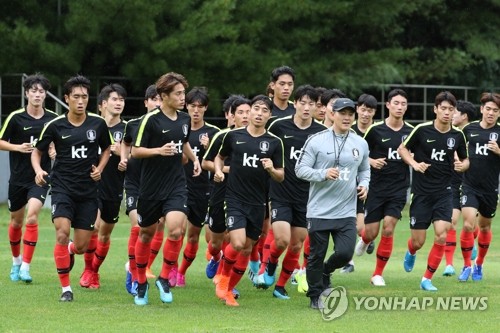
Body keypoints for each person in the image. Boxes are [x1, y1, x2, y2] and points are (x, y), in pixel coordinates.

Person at [31, 75, 112, 302]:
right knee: (61, 232)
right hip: (62, 188)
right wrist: (38, 170)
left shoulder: (98, 123)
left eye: (84, 97)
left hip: (88, 192)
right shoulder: (55, 125)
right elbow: (37, 151)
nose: (80, 100)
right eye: (75, 96)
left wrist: (101, 168)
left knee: (81, 245)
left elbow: (107, 148)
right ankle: (66, 289)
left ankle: (70, 250)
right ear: (66, 98)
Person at [131, 72, 201, 306]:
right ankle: (140, 282)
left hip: (176, 185)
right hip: (150, 188)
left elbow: (185, 141)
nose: (183, 98)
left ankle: (163, 278)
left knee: (175, 230)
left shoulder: (184, 119)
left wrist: (194, 159)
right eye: (178, 94)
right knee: (146, 234)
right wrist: (158, 151)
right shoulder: (150, 120)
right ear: (163, 96)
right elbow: (135, 151)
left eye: (183, 93)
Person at [295, 98, 370, 309]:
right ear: (332, 114)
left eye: (350, 114)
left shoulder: (360, 143)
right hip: (319, 209)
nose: (347, 118)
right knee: (316, 255)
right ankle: (315, 295)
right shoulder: (316, 140)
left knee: (346, 253)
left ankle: (326, 271)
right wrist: (323, 173)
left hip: (346, 210)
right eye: (342, 113)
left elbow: (364, 169)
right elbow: (300, 170)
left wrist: (364, 184)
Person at [213, 95, 284, 306]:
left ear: (270, 115)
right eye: (256, 109)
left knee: (247, 248)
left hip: (258, 203)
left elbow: (281, 175)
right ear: (249, 111)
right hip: (234, 198)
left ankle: (229, 289)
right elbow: (219, 157)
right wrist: (218, 171)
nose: (259, 113)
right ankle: (223, 280)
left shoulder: (274, 142)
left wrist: (271, 168)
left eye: (264, 110)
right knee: (237, 242)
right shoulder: (233, 136)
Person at [259, 85, 326, 299]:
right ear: (295, 104)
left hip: (308, 197)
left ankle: (280, 286)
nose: (307, 108)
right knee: (281, 240)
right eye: (303, 103)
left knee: (297, 244)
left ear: (317, 107)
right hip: (281, 191)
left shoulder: (321, 133)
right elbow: (263, 147)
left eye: (311, 104)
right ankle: (270, 263)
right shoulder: (279, 126)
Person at [398, 91, 469, 291]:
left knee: (441, 235)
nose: (447, 113)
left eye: (451, 109)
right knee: (418, 241)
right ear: (435, 109)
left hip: (444, 193)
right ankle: (411, 251)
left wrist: (462, 165)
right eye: (443, 108)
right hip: (421, 194)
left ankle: (426, 279)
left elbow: (466, 159)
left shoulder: (457, 135)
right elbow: (402, 149)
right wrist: (414, 163)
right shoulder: (422, 130)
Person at [0, 73, 57, 283]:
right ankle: (16, 262)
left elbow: (60, 143)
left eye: (41, 91)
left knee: (32, 216)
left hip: (40, 177)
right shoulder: (16, 117)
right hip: (17, 178)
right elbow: (0, 141)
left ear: (45, 95)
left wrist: (54, 152)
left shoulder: (52, 118)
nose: (37, 95)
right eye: (34, 91)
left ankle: (26, 267)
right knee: (16, 222)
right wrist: (17, 147)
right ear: (26, 94)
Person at [353, 89, 413, 286]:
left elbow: (420, 155)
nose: (399, 107)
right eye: (395, 103)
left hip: (398, 188)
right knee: (371, 232)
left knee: (388, 228)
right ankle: (364, 239)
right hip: (376, 188)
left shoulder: (411, 132)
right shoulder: (375, 130)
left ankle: (377, 274)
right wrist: (371, 160)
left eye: (403, 104)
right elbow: (357, 153)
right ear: (388, 105)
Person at [79, 83, 127, 289]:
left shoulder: (127, 130)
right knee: (94, 228)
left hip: (114, 186)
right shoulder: (90, 126)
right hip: (91, 186)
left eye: (122, 100)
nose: (119, 103)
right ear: (102, 105)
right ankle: (88, 270)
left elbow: (137, 156)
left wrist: (123, 155)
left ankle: (94, 270)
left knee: (105, 234)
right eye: (114, 99)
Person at [202, 96, 250, 299]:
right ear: (232, 116)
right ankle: (215, 258)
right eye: (241, 112)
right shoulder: (222, 136)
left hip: (243, 196)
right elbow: (206, 163)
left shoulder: (260, 139)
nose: (246, 116)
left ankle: (226, 279)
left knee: (236, 238)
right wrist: (227, 169)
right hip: (220, 192)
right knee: (216, 241)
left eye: (249, 112)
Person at [176, 87, 219, 287]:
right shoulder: (178, 128)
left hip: (203, 189)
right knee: (178, 230)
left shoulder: (213, 133)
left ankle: (182, 271)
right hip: (178, 187)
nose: (196, 110)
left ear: (205, 109)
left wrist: (209, 147)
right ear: (186, 106)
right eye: (192, 106)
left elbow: (219, 160)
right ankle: (172, 270)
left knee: (193, 235)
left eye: (200, 107)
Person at [121, 85, 160, 295]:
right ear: (146, 102)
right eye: (153, 99)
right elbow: (125, 143)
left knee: (152, 230)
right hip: (135, 183)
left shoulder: (167, 126)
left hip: (156, 185)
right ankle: (135, 275)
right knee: (138, 226)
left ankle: (136, 267)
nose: (157, 103)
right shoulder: (134, 125)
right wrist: (123, 158)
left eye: (160, 99)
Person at [458, 92, 500, 282]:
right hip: (469, 185)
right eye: (488, 109)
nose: (491, 113)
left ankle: (479, 264)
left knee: (484, 228)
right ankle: (467, 264)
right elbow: (458, 152)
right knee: (468, 224)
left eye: (495, 110)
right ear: (482, 109)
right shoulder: (468, 129)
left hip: (490, 189)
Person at [341, 93, 378, 274]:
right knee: (352, 225)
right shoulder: (349, 130)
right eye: (362, 109)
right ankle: (349, 261)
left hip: (375, 184)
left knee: (366, 227)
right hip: (351, 185)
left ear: (374, 113)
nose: (365, 114)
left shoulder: (378, 131)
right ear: (357, 110)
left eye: (369, 110)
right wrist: (369, 161)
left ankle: (367, 239)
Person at [442, 100, 477, 276]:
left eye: (454, 112)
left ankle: (472, 246)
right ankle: (449, 264)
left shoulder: (473, 133)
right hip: (454, 182)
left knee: (471, 224)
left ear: (464, 116)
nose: (451, 115)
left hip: (473, 183)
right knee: (451, 223)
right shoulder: (452, 134)